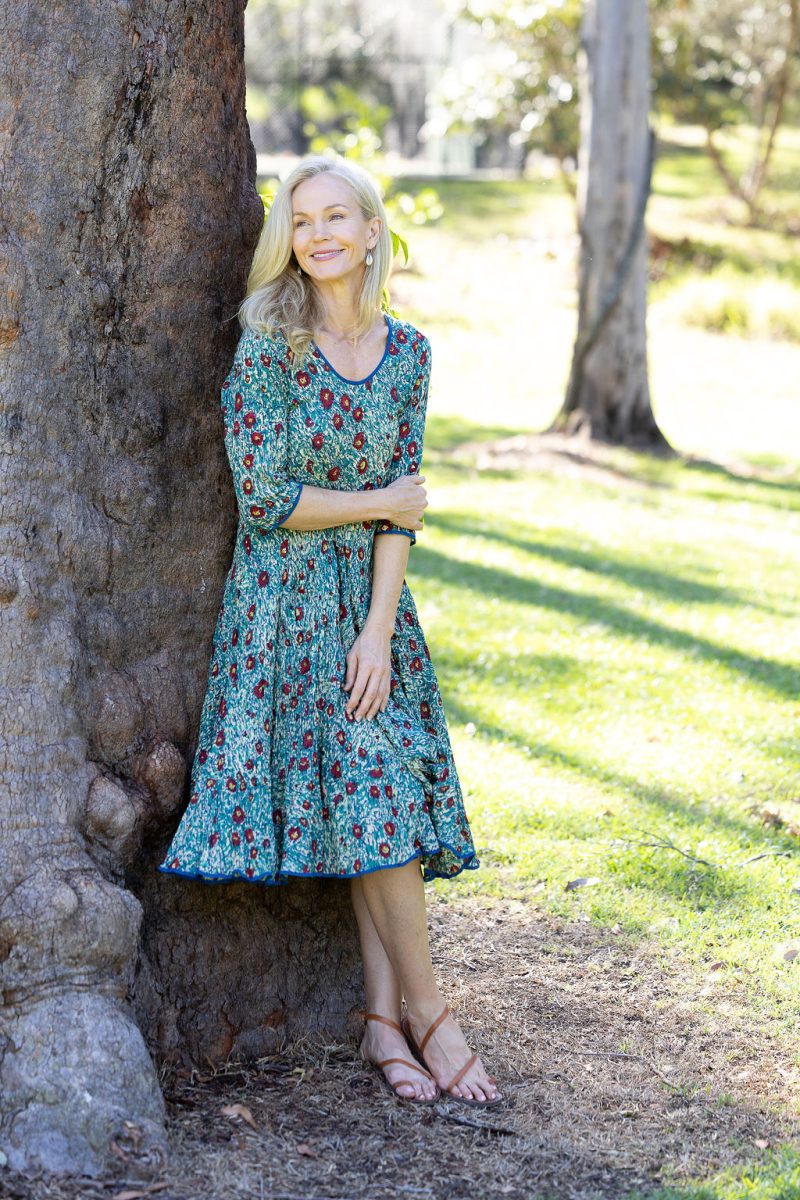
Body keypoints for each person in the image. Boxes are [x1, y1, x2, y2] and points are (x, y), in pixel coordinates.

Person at [158, 154, 503, 1107]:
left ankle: (384, 1025)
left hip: (369, 609)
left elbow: (406, 515)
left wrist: (380, 630)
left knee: (376, 805)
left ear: (370, 229)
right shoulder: (269, 344)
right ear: (288, 240)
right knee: (377, 804)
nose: (319, 235)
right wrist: (385, 498)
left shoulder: (411, 352)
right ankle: (433, 1018)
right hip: (282, 609)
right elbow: (267, 500)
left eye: (336, 216)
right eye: (302, 221)